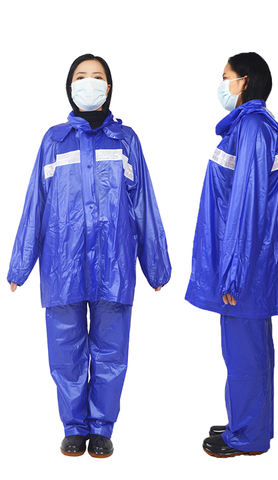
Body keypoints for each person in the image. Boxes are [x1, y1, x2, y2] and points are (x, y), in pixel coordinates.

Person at [7, 53, 171, 458]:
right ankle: (73, 426)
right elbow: (35, 203)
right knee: (66, 350)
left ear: (108, 87)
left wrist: (156, 265)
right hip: (62, 262)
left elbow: (144, 203)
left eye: (97, 76)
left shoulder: (125, 140)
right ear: (70, 87)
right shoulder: (54, 140)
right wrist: (19, 265)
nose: (89, 83)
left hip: (114, 262)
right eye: (81, 77)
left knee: (111, 349)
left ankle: (101, 427)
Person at [186, 52, 278, 457]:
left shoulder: (251, 128)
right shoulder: (249, 127)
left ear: (244, 81)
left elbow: (246, 204)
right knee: (250, 351)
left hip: (245, 267)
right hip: (249, 262)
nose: (222, 84)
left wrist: (232, 273)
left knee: (245, 354)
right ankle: (248, 422)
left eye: (226, 76)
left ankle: (247, 436)